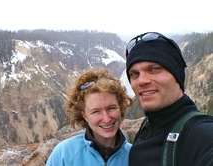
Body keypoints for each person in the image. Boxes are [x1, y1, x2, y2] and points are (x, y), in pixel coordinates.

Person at [125, 32, 213, 166]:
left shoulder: (201, 135)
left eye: (154, 69)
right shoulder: (147, 126)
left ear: (176, 75)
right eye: (134, 74)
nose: (141, 81)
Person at [46, 68, 133, 166]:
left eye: (111, 108)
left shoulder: (134, 156)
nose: (106, 119)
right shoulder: (64, 154)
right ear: (84, 116)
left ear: (120, 107)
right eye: (96, 112)